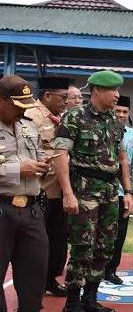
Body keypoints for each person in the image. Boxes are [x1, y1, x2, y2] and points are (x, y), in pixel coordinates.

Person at [53, 70, 133, 312]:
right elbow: (60, 156)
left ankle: (90, 297)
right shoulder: (74, 117)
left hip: (110, 192)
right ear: (97, 90)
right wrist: (67, 192)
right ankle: (72, 303)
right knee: (82, 247)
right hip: (84, 191)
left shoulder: (114, 120)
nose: (117, 95)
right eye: (113, 90)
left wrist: (129, 191)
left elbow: (122, 158)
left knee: (104, 247)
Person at [0, 76, 53, 312]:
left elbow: (39, 155)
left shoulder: (29, 126)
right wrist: (16, 171)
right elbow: (16, 167)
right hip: (2, 207)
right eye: (17, 105)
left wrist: (42, 165)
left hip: (31, 207)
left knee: (35, 270)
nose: (23, 110)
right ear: (2, 100)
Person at [24, 76, 70, 298]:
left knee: (58, 240)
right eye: (63, 97)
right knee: (38, 243)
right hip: (39, 190)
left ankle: (50, 278)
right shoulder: (32, 115)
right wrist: (61, 157)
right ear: (48, 95)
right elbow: (31, 151)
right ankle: (35, 283)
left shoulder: (60, 118)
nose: (66, 101)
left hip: (58, 191)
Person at [104, 95, 133, 285]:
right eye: (117, 111)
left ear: (129, 114)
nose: (121, 115)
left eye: (124, 112)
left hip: (123, 194)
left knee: (119, 233)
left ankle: (111, 269)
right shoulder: (103, 129)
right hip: (103, 191)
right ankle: (96, 269)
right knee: (100, 233)